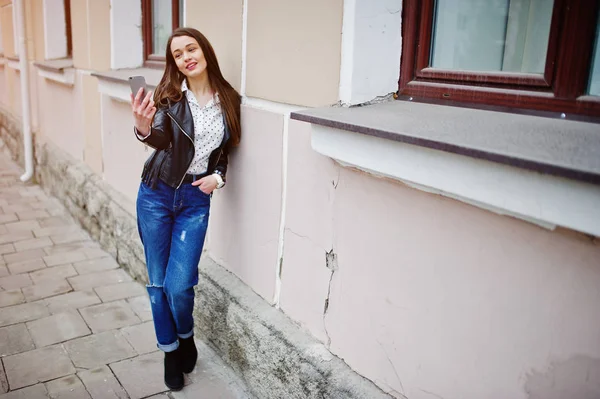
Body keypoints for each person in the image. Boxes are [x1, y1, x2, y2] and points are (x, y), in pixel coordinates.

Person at [130, 27, 241, 391]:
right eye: (178, 54)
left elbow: (225, 150)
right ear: (174, 63)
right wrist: (143, 129)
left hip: (195, 199)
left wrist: (218, 179)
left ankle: (186, 333)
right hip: (156, 195)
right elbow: (160, 137)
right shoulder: (170, 97)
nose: (186, 57)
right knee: (158, 283)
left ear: (205, 51)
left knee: (180, 286)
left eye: (191, 48)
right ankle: (169, 350)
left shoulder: (229, 99)